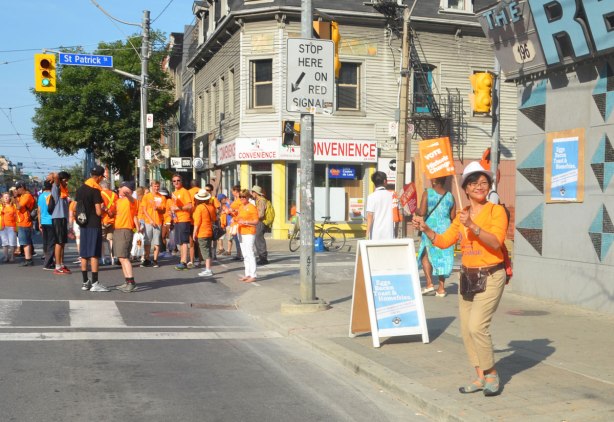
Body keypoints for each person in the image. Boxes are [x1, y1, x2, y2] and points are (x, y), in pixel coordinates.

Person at [413, 161, 508, 397]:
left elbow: (496, 242)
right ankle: (479, 377)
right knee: (466, 330)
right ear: (465, 188)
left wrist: (473, 226)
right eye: (474, 183)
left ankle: (492, 373)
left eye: (484, 183)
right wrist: (425, 228)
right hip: (468, 276)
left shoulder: (496, 211)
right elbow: (444, 241)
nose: (479, 186)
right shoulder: (462, 215)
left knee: (478, 326)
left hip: (491, 274)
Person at [416, 176, 456, 297]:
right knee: (442, 257)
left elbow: (422, 212)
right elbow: (453, 216)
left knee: (425, 253)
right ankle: (441, 288)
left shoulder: (427, 193)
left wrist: (416, 210)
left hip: (430, 227)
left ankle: (429, 284)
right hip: (445, 228)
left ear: (434, 180)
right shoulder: (450, 196)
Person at [74, 165, 110, 292]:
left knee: (84, 254)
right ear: (99, 177)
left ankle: (85, 282)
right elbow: (98, 212)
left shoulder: (80, 189)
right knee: (94, 254)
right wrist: (106, 210)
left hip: (83, 224)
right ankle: (95, 283)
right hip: (94, 224)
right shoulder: (95, 190)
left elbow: (75, 207)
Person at [114, 182, 140, 293]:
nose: (119, 189)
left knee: (124, 257)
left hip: (125, 230)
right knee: (121, 257)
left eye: (121, 187)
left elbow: (133, 201)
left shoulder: (132, 201)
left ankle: (131, 282)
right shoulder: (119, 201)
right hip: (118, 230)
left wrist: (128, 194)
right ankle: (127, 281)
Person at [49, 171, 71, 275]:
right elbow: (56, 177)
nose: (67, 182)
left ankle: (61, 264)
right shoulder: (56, 188)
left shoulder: (64, 190)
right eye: (65, 180)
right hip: (57, 218)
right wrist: (53, 175)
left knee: (62, 243)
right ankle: (57, 266)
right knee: (58, 242)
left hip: (62, 218)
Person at [170, 174, 193, 270]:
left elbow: (189, 206)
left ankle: (184, 262)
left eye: (178, 180)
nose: (176, 182)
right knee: (180, 241)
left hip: (184, 219)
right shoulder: (174, 193)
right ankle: (182, 260)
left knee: (184, 241)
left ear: (181, 181)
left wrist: (178, 208)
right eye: (174, 181)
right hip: (177, 219)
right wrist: (172, 211)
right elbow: (174, 206)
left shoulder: (184, 192)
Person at [140, 180, 165, 268]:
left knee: (157, 242)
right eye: (155, 186)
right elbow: (144, 210)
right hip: (148, 222)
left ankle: (155, 260)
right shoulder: (147, 196)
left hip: (158, 222)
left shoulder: (162, 197)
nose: (156, 188)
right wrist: (150, 220)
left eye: (158, 186)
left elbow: (163, 210)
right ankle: (147, 259)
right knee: (147, 242)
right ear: (151, 186)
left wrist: (158, 208)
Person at [192, 189, 216, 277]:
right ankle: (208, 268)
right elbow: (214, 219)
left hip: (202, 231)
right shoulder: (211, 207)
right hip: (209, 231)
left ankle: (208, 269)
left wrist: (194, 233)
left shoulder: (199, 208)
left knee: (204, 251)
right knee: (208, 250)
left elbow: (197, 222)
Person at [236, 189, 259, 282]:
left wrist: (245, 222)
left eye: (243, 197)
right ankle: (247, 274)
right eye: (240, 196)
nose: (241, 198)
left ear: (248, 197)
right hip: (241, 231)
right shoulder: (241, 207)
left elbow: (256, 221)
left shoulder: (252, 207)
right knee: (245, 254)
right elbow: (238, 218)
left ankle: (253, 275)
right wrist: (232, 215)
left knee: (250, 253)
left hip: (249, 232)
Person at [365, 171, 395, 240]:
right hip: (389, 233)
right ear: (385, 181)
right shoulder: (392, 195)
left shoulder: (371, 197)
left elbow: (370, 216)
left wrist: (367, 234)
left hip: (376, 234)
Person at [14, 181, 35, 266]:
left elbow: (19, 207)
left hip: (25, 222)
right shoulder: (22, 196)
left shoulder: (27, 196)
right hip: (22, 221)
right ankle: (28, 258)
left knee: (25, 242)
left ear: (22, 187)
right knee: (26, 241)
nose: (17, 190)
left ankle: (28, 259)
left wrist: (15, 197)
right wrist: (16, 197)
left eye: (17, 188)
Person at [38, 180, 55, 270]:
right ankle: (48, 263)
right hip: (51, 221)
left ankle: (48, 259)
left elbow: (39, 210)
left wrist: (39, 222)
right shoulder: (51, 195)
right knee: (52, 243)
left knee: (46, 242)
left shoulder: (40, 196)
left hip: (43, 221)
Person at [99, 180, 117, 266]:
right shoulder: (115, 195)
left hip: (103, 219)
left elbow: (101, 206)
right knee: (111, 239)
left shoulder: (100, 194)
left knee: (101, 240)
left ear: (101, 186)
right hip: (112, 220)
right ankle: (112, 258)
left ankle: (103, 258)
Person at [251, 185, 269, 265]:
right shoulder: (257, 200)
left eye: (253, 192)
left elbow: (261, 214)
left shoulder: (261, 200)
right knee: (257, 239)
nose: (252, 193)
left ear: (256, 193)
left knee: (259, 239)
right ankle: (261, 256)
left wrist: (253, 218)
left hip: (260, 222)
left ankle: (263, 258)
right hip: (258, 221)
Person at [0, 192, 17, 263]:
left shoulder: (14, 206)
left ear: (10, 198)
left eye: (7, 197)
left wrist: (16, 226)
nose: (6, 198)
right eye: (5, 197)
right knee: (4, 243)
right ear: (2, 198)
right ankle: (6, 257)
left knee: (12, 242)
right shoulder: (1, 206)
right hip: (2, 227)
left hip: (11, 226)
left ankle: (12, 257)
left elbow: (16, 216)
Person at [229, 185, 243, 261]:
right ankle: (239, 254)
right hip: (234, 221)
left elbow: (240, 210)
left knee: (238, 239)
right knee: (236, 239)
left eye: (232, 191)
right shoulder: (237, 199)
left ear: (235, 191)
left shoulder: (239, 200)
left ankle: (240, 254)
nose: (232, 193)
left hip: (237, 222)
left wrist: (231, 211)